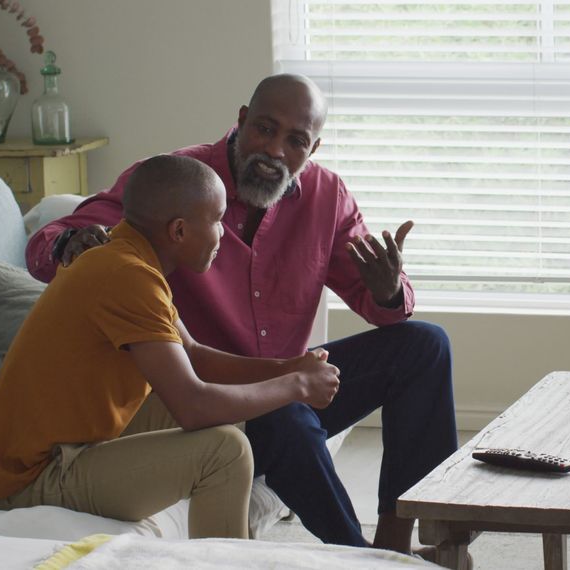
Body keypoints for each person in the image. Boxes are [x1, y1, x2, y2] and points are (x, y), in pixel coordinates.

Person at [25, 74, 458, 553]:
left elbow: (385, 311)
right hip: (208, 394)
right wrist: (71, 243)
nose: (274, 150)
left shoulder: (327, 197)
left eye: (295, 141)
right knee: (286, 415)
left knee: (425, 344)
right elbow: (56, 239)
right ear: (241, 121)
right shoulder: (176, 181)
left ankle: (397, 539)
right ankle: (356, 555)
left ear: (311, 150)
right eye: (265, 129)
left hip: (285, 378)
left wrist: (388, 290)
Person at [0, 155, 342, 540]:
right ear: (179, 231)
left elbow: (194, 356)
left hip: (65, 446)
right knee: (224, 451)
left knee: (230, 413)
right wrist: (297, 388)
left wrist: (290, 367)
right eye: (217, 220)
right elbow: (193, 407)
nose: (223, 234)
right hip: (31, 479)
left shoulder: (123, 256)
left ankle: (231, 543)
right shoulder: (129, 277)